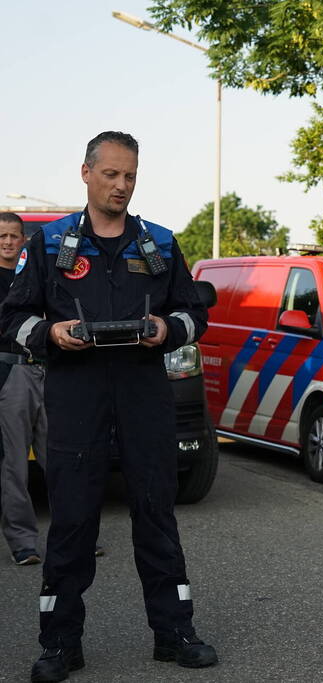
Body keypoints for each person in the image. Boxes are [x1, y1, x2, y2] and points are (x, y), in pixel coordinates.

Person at [0, 132, 217, 683]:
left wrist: (169, 328)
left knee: (156, 514)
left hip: (145, 396)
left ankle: (175, 633)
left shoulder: (161, 244)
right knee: (72, 521)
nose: (121, 185)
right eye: (111, 174)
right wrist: (53, 333)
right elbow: (11, 319)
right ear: (86, 173)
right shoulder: (48, 245)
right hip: (76, 398)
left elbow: (195, 316)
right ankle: (59, 644)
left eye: (131, 176)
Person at [0, 212, 47, 566]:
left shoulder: (36, 275)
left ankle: (72, 535)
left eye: (15, 236)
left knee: (61, 459)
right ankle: (23, 542)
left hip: (50, 372)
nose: (8, 242)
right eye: (2, 236)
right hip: (12, 374)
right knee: (14, 463)